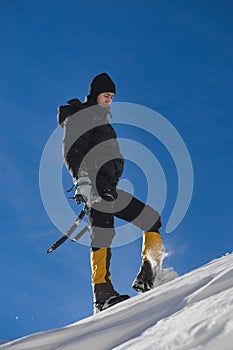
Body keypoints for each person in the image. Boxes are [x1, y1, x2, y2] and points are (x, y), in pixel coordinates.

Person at [57, 73, 163, 312]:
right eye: (106, 96)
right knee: (103, 235)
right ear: (96, 95)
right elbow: (72, 151)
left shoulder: (100, 119)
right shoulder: (83, 117)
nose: (109, 101)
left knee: (150, 219)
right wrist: (82, 181)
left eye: (112, 97)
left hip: (108, 188)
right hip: (95, 187)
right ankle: (102, 294)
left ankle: (149, 274)